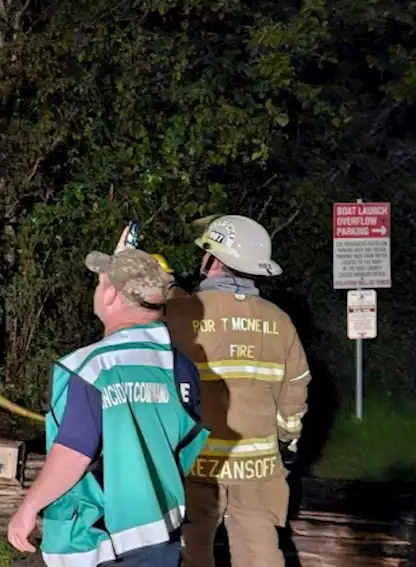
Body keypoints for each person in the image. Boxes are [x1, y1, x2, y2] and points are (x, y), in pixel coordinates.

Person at [8, 230, 207, 566]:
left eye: (101, 283)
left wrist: (28, 508)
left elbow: (73, 453)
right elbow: (186, 440)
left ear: (112, 295)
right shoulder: (179, 366)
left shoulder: (90, 367)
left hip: (99, 533)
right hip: (161, 527)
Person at [163, 215, 310, 567]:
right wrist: (288, 443)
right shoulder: (279, 321)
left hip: (197, 461)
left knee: (193, 548)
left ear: (213, 260)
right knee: (259, 548)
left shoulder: (180, 314)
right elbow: (295, 394)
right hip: (258, 463)